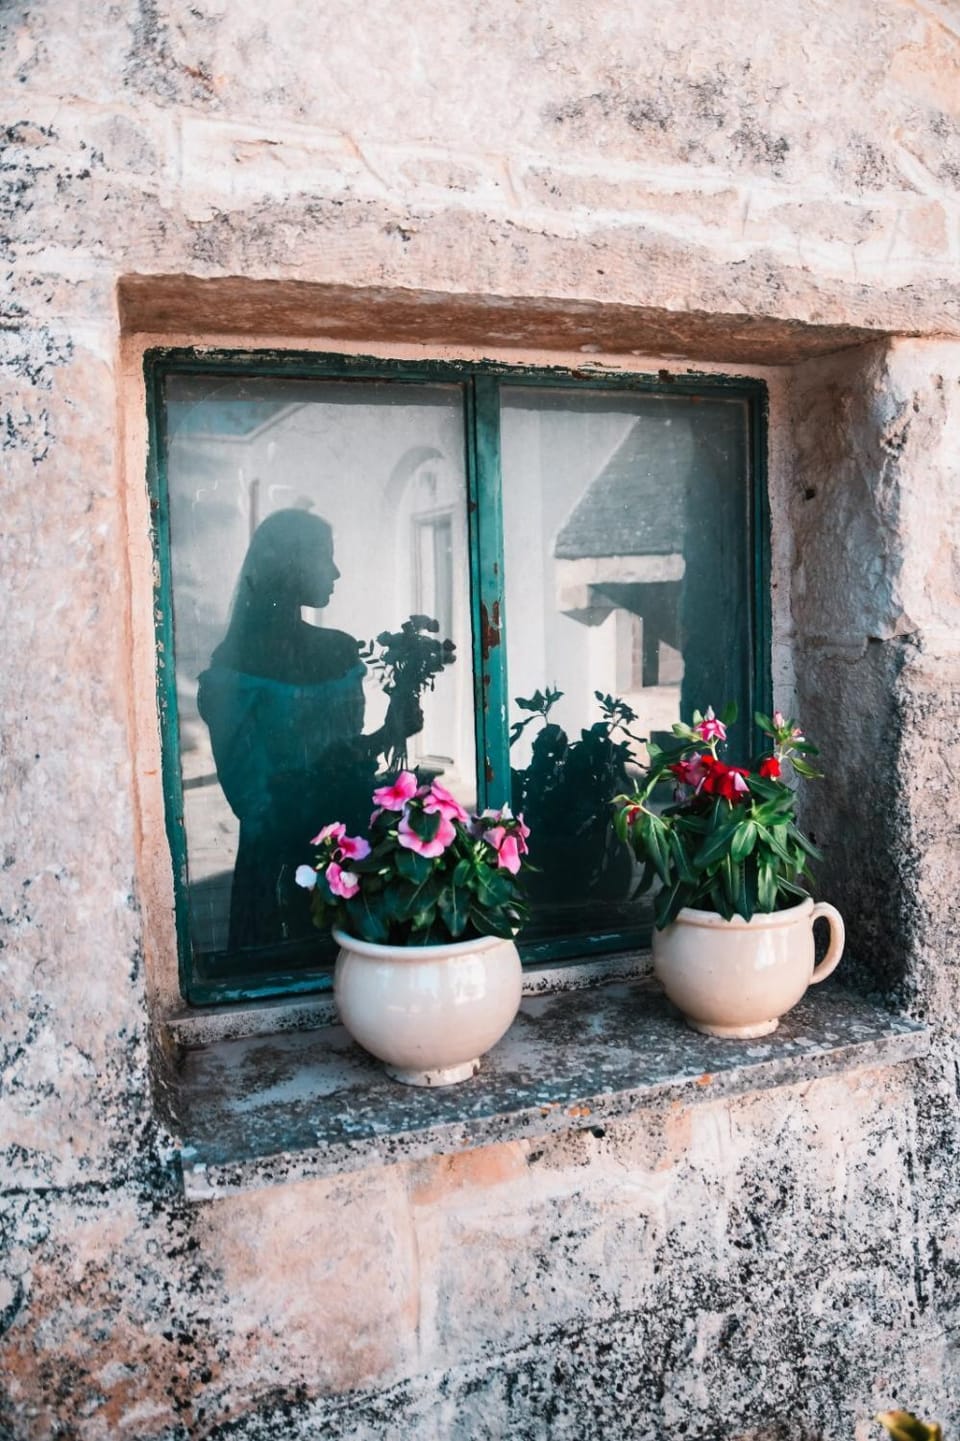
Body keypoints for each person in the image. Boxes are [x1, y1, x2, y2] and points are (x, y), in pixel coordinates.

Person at [198, 509, 419, 955]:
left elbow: (342, 756)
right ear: (292, 564)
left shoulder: (337, 648)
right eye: (326, 557)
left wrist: (388, 733)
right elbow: (255, 799)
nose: (336, 572)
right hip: (283, 871)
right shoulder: (237, 668)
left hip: (351, 849)